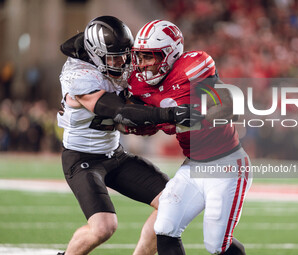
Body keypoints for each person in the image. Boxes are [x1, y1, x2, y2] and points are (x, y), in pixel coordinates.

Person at [56, 16, 202, 255]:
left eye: (125, 55)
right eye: (114, 57)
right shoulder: (78, 74)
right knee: (103, 227)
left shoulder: (122, 61)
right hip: (82, 158)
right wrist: (171, 113)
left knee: (172, 203)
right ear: (94, 54)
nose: (122, 62)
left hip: (115, 155)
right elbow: (119, 111)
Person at [127, 20, 252, 255]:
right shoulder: (138, 83)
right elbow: (140, 121)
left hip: (225, 164)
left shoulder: (193, 68)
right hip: (192, 166)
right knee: (164, 226)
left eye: (149, 57)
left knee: (216, 244)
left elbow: (228, 106)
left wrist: (191, 116)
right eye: (139, 57)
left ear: (169, 54)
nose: (142, 65)